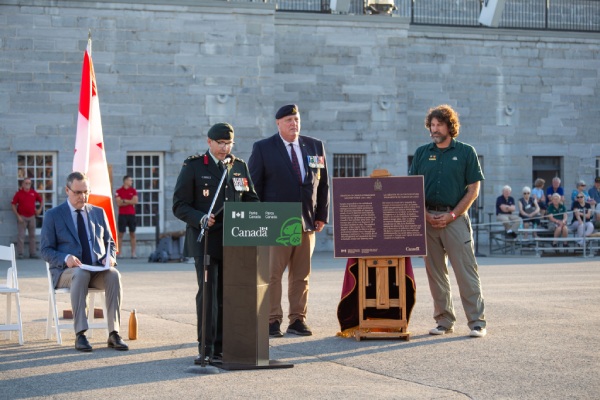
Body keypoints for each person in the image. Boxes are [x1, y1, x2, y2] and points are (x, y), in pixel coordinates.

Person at [173, 122, 259, 365]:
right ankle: (207, 347)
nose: (224, 148)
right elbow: (179, 205)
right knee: (209, 294)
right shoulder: (194, 166)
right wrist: (200, 218)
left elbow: (251, 199)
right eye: (220, 143)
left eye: (228, 143)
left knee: (229, 294)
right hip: (206, 240)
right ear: (208, 142)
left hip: (235, 241)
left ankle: (225, 347)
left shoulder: (239, 166)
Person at [248, 104, 330, 338]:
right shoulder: (264, 148)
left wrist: (322, 215)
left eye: (296, 119)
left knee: (301, 275)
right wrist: (260, 220)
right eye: (288, 120)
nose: (294, 123)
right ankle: (272, 320)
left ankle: (298, 319)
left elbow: (322, 184)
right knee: (273, 274)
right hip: (277, 222)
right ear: (278, 124)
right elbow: (255, 187)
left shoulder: (314, 145)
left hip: (306, 221)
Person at [408, 104, 486, 338]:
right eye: (431, 125)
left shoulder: (465, 152)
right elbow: (412, 188)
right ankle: (444, 321)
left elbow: (473, 190)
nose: (434, 129)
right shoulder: (422, 153)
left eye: (439, 124)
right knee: (435, 274)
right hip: (428, 219)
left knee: (466, 272)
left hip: (455, 219)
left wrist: (452, 215)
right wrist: (424, 215)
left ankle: (477, 322)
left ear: (450, 126)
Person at [41, 172, 128, 352]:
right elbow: (45, 250)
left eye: (86, 192)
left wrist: (110, 256)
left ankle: (114, 333)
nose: (83, 197)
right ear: (67, 190)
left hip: (95, 269)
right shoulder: (53, 215)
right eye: (78, 192)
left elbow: (110, 242)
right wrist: (66, 258)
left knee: (113, 275)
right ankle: (80, 334)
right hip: (66, 272)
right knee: (80, 273)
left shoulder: (98, 212)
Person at [11, 177, 44, 259]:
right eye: (26, 183)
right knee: (21, 236)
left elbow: (41, 200)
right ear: (22, 184)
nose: (27, 185)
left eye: (29, 183)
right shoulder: (19, 194)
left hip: (32, 217)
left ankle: (32, 253)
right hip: (22, 217)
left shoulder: (33, 193)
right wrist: (18, 216)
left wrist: (39, 209)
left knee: (32, 236)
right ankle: (20, 254)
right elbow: (13, 204)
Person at [115, 175, 138, 258]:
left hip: (131, 214)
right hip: (122, 215)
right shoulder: (119, 191)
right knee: (120, 234)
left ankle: (133, 253)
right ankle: (119, 253)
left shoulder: (133, 190)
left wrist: (124, 200)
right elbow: (118, 203)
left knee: (133, 234)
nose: (131, 182)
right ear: (125, 181)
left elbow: (135, 201)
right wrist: (129, 201)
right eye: (130, 180)